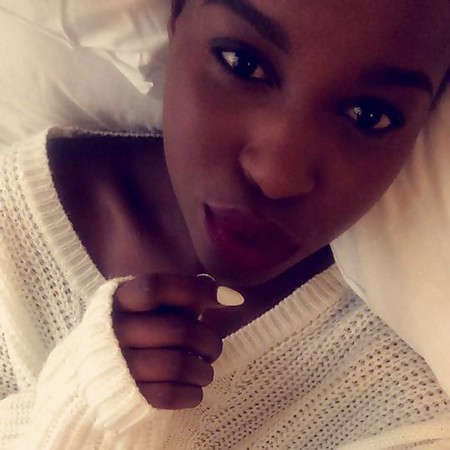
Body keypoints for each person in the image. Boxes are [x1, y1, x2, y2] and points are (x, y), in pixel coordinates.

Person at [0, 0, 450, 448]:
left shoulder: (409, 402)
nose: (276, 176)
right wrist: (91, 402)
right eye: (244, 64)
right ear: (176, 18)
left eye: (368, 116)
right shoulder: (11, 226)